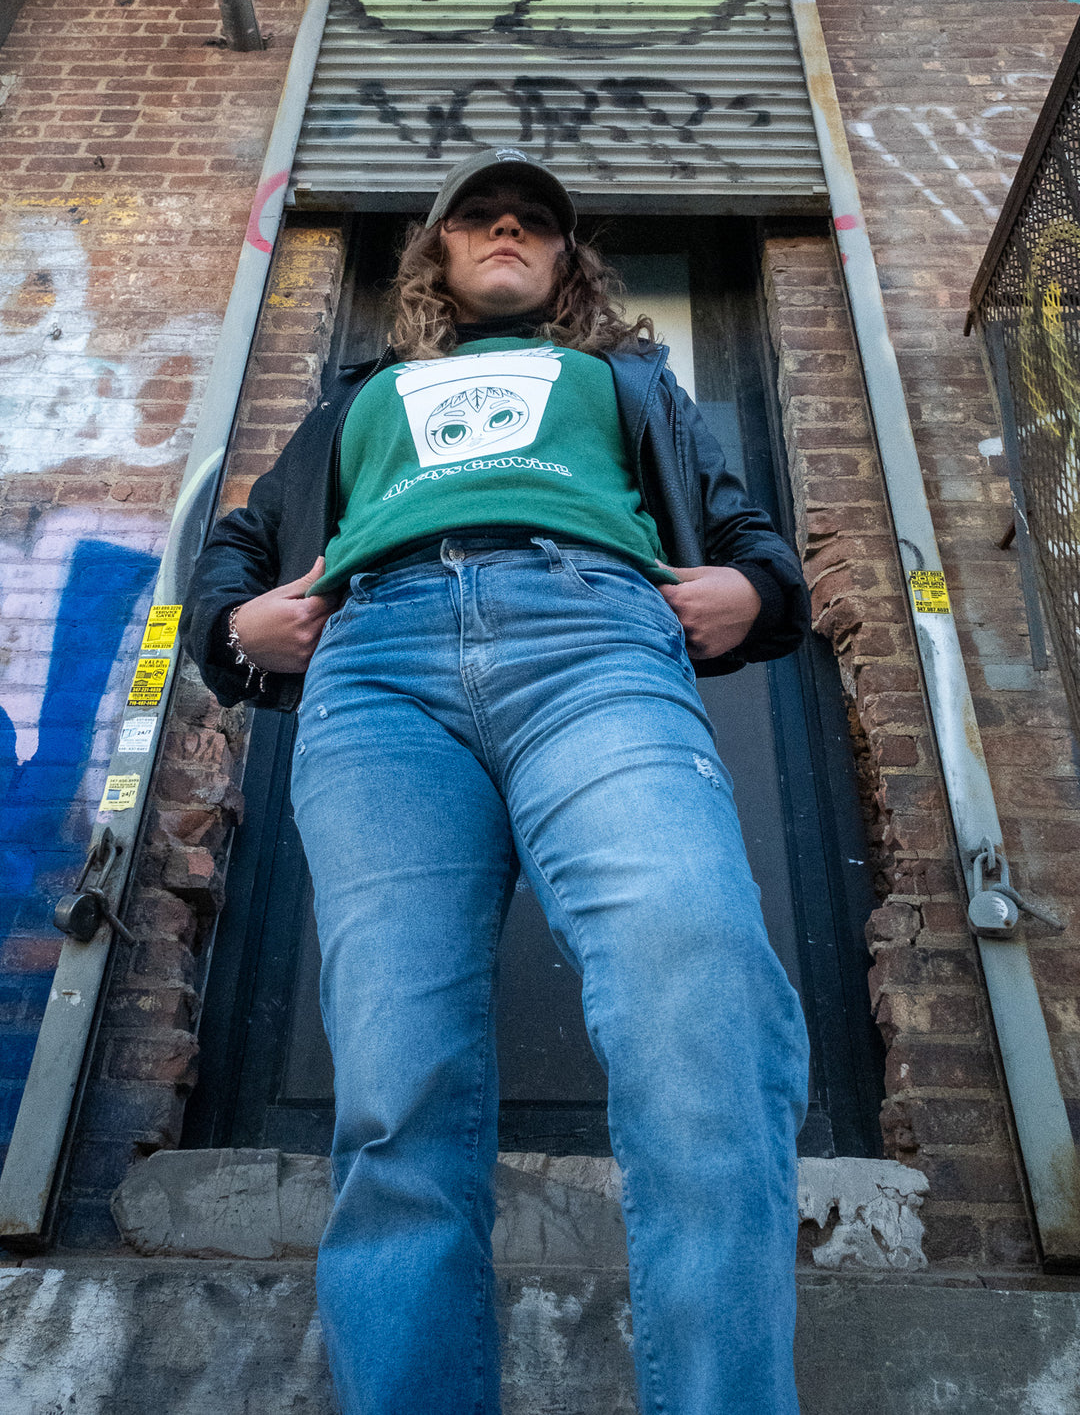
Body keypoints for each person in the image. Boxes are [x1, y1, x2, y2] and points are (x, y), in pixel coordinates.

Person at [182, 147, 811, 1415]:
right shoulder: (363, 393)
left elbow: (747, 532)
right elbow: (241, 541)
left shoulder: (628, 381)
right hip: (377, 670)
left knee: (702, 986)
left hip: (590, 636)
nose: (509, 228)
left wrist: (760, 591)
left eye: (535, 219)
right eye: (481, 217)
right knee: (399, 1076)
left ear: (569, 260)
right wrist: (233, 628)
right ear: (440, 256)